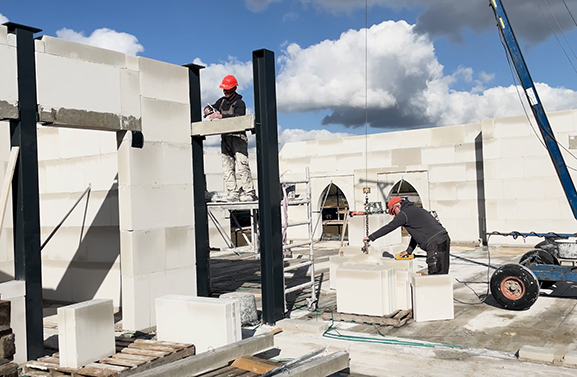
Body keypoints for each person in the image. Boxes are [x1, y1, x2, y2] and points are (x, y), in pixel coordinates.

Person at [363, 196, 451, 275]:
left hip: (434, 243)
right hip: (443, 238)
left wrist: (371, 237)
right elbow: (416, 234)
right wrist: (409, 251)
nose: (395, 215)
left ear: (397, 206)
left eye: (394, 212)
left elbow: (389, 227)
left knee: (435, 275)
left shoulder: (404, 214)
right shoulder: (415, 210)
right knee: (442, 274)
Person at [204, 75, 256, 202]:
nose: (225, 91)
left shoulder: (239, 103)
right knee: (227, 166)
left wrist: (220, 116)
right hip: (226, 138)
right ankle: (233, 192)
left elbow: (239, 118)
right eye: (224, 89)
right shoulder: (221, 101)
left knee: (242, 164)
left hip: (238, 137)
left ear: (234, 88)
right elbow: (211, 107)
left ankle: (249, 192)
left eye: (228, 89)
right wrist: (207, 110)